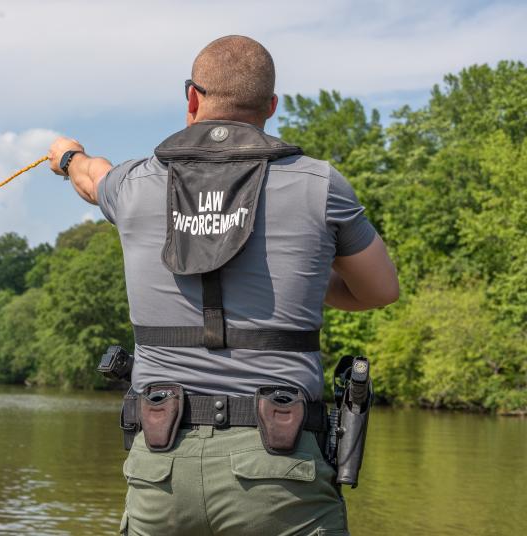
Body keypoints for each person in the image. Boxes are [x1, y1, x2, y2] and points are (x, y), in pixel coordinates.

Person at [47, 35, 398, 536]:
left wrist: (66, 157)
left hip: (160, 469)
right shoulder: (321, 185)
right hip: (280, 470)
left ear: (191, 98)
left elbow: (89, 175)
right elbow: (379, 290)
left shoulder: (133, 184)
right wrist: (300, 272)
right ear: (271, 107)